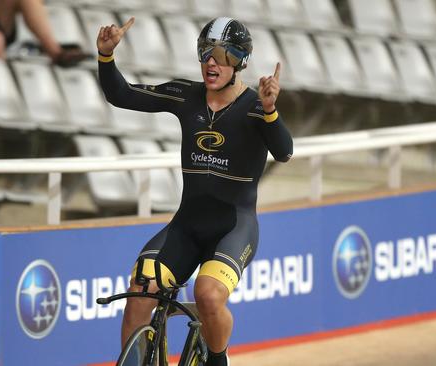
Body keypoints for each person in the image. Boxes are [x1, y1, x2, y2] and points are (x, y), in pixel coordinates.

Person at [97, 16, 293, 366]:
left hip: (234, 228)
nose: (211, 62)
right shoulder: (187, 96)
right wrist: (106, 57)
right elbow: (121, 94)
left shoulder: (254, 107)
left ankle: (218, 360)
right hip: (186, 226)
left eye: (221, 54)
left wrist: (270, 111)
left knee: (207, 295)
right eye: (205, 53)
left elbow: (285, 151)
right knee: (141, 289)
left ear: (240, 61)